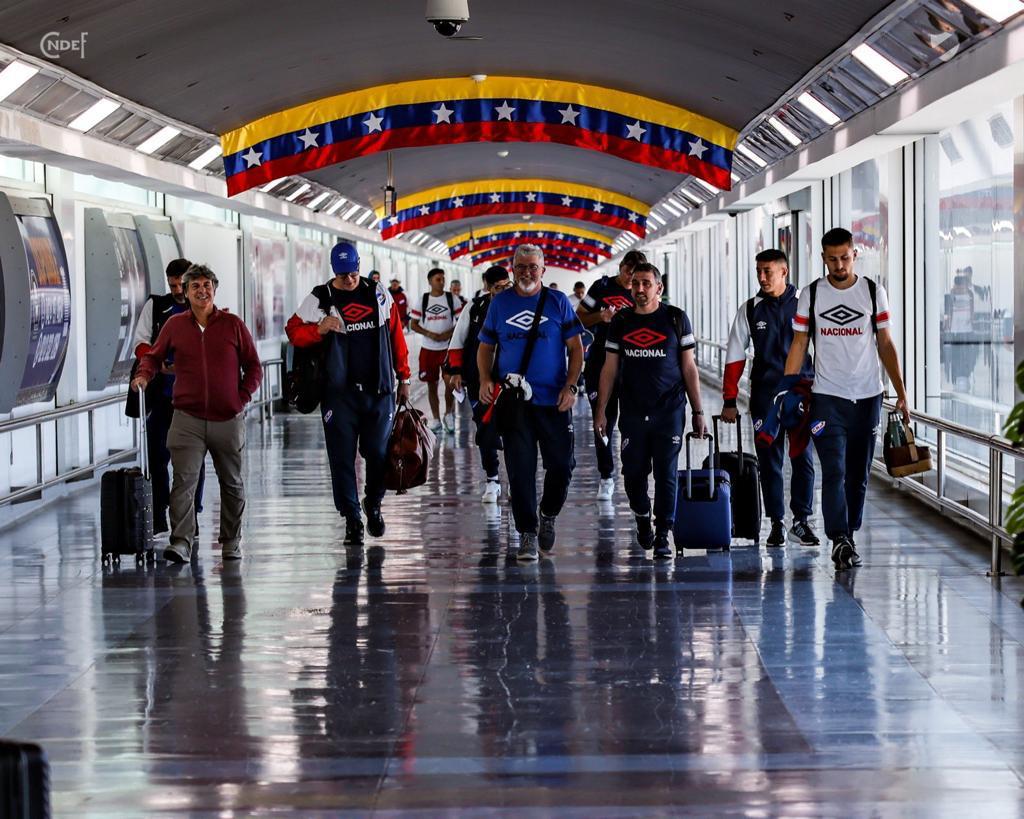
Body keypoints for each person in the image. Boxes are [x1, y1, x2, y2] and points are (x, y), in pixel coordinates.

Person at [783, 228, 911, 570]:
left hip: (868, 397)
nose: (839, 265)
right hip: (827, 397)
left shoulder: (872, 292)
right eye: (832, 259)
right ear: (823, 258)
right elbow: (799, 343)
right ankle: (839, 537)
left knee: (858, 475)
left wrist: (901, 392)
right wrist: (786, 389)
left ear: (855, 254)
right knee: (834, 471)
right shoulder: (811, 295)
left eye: (844, 257)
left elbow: (885, 343)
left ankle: (849, 534)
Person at [131, 264, 263, 563]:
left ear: (214, 289)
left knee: (232, 482)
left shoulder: (232, 325)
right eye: (195, 286)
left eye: (207, 285)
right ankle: (181, 541)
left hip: (227, 418)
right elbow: (153, 356)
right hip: (187, 418)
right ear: (186, 292)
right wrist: (143, 375)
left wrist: (240, 398)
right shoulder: (175, 325)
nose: (202, 291)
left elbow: (254, 366)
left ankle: (231, 541)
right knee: (184, 482)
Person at [285, 241, 411, 547]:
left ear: (359, 267)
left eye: (354, 273)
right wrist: (318, 329)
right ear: (334, 272)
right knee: (341, 457)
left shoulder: (378, 293)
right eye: (343, 276)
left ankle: (374, 502)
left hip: (378, 389)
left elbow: (396, 334)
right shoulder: (320, 297)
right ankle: (352, 518)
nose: (350, 280)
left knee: (377, 452)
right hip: (338, 394)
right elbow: (292, 331)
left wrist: (404, 376)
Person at [477, 244, 584, 561]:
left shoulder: (558, 302)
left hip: (554, 401)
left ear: (543, 270)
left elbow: (576, 349)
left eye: (532, 267)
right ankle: (527, 532)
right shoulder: (500, 304)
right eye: (521, 267)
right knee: (520, 470)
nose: (526, 272)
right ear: (512, 270)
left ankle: (548, 513)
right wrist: (485, 379)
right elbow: (485, 346)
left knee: (562, 466)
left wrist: (571, 386)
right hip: (515, 403)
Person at [594, 263, 706, 560]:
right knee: (633, 472)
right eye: (635, 284)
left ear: (659, 288)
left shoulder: (675, 318)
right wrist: (601, 410)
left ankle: (663, 534)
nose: (640, 289)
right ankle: (642, 515)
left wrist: (698, 411)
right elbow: (609, 368)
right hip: (632, 410)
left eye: (646, 283)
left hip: (669, 409)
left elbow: (689, 367)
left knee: (666, 472)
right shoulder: (621, 321)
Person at [722, 249, 818, 547]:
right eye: (758, 271)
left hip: (801, 394)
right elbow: (735, 354)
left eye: (768, 271)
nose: (762, 277)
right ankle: (777, 522)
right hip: (765, 397)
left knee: (803, 458)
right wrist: (729, 399)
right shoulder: (751, 309)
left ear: (784, 271)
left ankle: (801, 521)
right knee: (769, 461)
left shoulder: (805, 304)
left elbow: (824, 349)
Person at [130, 258, 205, 535]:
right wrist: (156, 361)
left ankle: (190, 513)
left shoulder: (203, 307)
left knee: (192, 460)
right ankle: (160, 511)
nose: (177, 290)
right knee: (156, 455)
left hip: (193, 398)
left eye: (181, 285)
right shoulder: (156, 306)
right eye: (172, 285)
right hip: (162, 396)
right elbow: (141, 342)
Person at [576, 250, 647, 499]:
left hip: (632, 362)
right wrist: (601, 316)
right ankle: (606, 475)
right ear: (621, 268)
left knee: (633, 420)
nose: (631, 279)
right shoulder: (601, 287)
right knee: (602, 418)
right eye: (628, 273)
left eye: (636, 275)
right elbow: (578, 318)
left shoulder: (642, 291)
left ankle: (633, 470)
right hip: (600, 360)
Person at [446, 265, 512, 502]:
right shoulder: (474, 308)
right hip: (479, 381)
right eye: (498, 288)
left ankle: (515, 478)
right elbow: (458, 341)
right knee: (486, 430)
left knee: (514, 430)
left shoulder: (519, 305)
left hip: (510, 382)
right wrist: (456, 372)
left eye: (507, 286)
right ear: (488, 287)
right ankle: (492, 480)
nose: (504, 291)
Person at [410, 267, 462, 434]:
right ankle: (436, 419)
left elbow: (461, 322)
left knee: (449, 383)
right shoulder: (423, 300)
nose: (441, 282)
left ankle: (448, 414)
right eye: (438, 279)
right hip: (428, 349)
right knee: (431, 385)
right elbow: (413, 324)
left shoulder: (452, 299)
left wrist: (448, 334)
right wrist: (429, 334)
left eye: (443, 279)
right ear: (430, 282)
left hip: (447, 349)